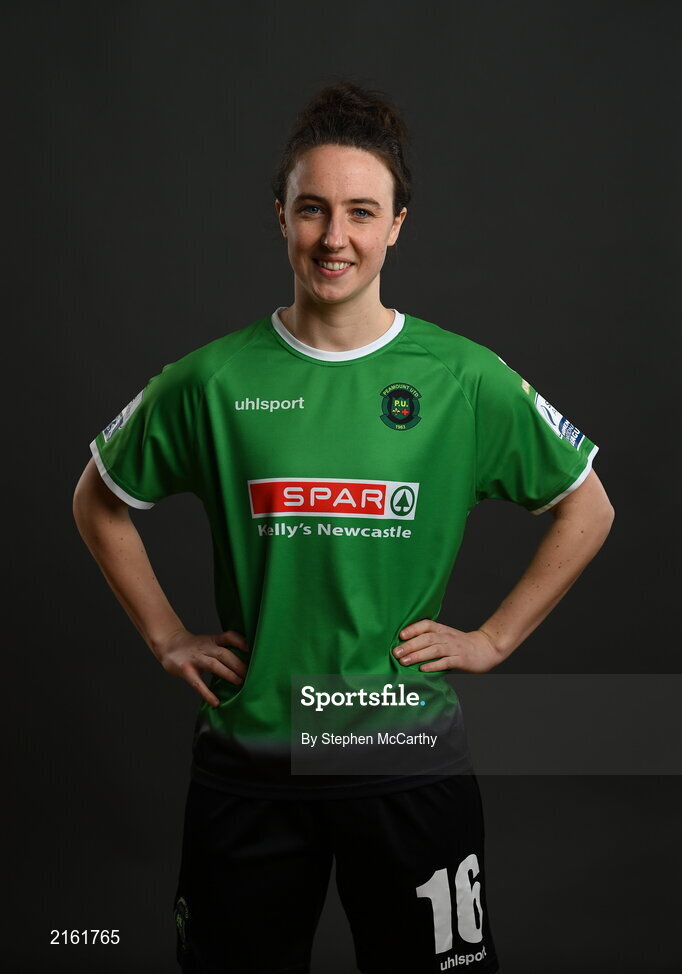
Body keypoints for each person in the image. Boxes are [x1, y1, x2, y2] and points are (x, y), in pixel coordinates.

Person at [73, 81, 614, 974]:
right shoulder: (212, 380)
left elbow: (587, 506)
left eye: (362, 212)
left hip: (405, 762)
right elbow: (98, 496)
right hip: (254, 765)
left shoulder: (464, 378)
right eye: (313, 209)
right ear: (279, 216)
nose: (335, 237)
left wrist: (493, 638)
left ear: (397, 223)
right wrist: (167, 637)